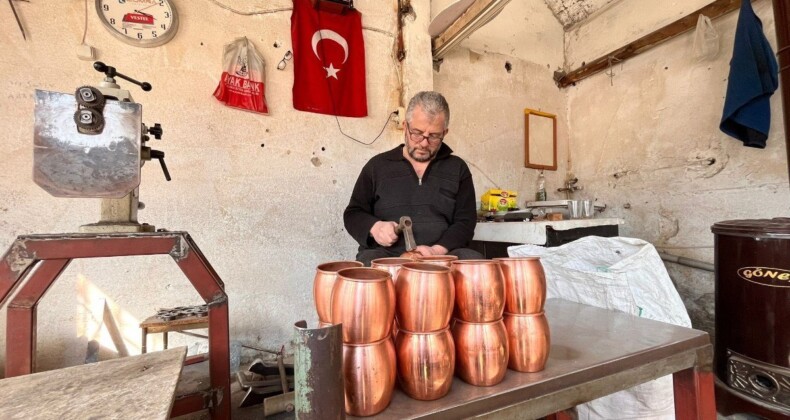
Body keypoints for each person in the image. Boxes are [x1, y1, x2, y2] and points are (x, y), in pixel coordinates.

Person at [343, 91, 484, 266]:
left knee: (473, 261)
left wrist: (437, 250)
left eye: (433, 136)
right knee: (369, 267)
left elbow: (465, 222)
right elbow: (353, 214)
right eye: (417, 133)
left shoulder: (457, 168)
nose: (424, 143)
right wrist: (374, 227)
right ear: (405, 126)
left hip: (441, 255)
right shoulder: (377, 166)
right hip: (387, 256)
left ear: (445, 133)